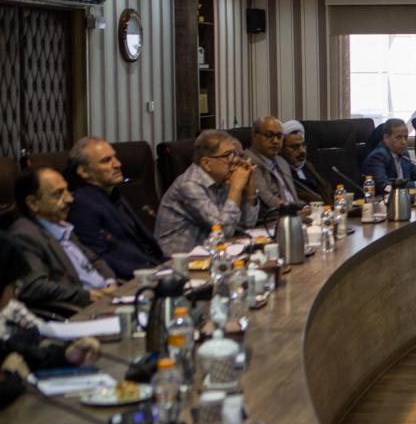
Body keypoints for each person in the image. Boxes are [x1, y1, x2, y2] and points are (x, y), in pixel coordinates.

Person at [6, 167, 118, 310]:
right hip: (82, 309)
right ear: (33, 203)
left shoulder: (61, 226)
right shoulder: (25, 236)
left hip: (108, 298)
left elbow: (95, 260)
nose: (70, 199)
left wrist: (110, 282)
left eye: (67, 190)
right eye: (58, 194)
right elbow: (35, 286)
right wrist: (87, 295)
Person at [64, 136, 165, 280]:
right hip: (131, 281)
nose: (118, 164)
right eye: (106, 160)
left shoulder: (113, 195)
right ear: (84, 172)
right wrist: (153, 273)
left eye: (115, 157)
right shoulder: (82, 206)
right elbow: (100, 258)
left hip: (155, 269)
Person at [154, 130, 259, 256]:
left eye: (236, 154)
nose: (236, 160)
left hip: (209, 254)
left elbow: (247, 224)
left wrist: (250, 191)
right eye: (228, 155)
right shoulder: (189, 185)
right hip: (177, 261)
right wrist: (235, 189)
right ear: (206, 163)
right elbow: (224, 231)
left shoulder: (221, 180)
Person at [245, 115, 299, 224]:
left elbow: (291, 196)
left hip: (293, 216)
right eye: (269, 135)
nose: (275, 141)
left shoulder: (282, 162)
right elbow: (266, 197)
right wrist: (294, 211)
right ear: (254, 136)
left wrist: (305, 207)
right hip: (271, 220)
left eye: (279, 136)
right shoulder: (248, 161)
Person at [361, 118, 416, 189]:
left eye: (405, 137)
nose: (403, 142)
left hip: (404, 195)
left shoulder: (404, 154)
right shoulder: (378, 156)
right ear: (386, 138)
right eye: (398, 137)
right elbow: (384, 185)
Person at [280, 120, 333, 205]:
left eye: (303, 145)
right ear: (282, 149)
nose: (302, 151)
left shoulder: (309, 166)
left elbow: (327, 191)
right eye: (295, 146)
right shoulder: (281, 174)